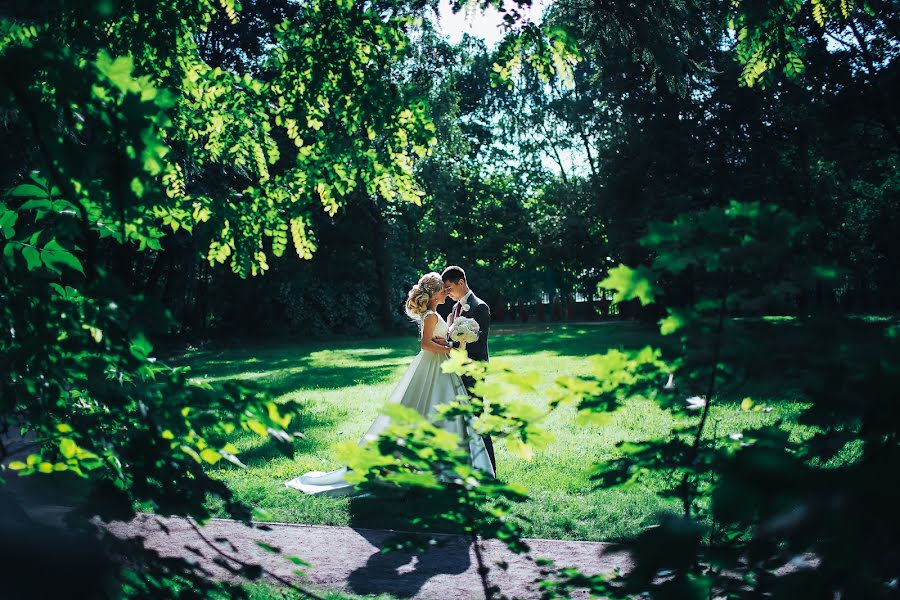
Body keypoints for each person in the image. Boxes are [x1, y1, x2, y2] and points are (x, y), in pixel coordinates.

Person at [285, 272, 494, 496]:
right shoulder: (433, 315)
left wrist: (447, 343)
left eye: (447, 287)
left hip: (443, 367)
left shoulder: (440, 313)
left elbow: (437, 340)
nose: (446, 292)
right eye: (443, 289)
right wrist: (450, 348)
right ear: (434, 293)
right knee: (433, 410)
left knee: (442, 412)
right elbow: (426, 345)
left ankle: (451, 467)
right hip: (435, 365)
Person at [434, 266, 496, 475]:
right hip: (457, 369)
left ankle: (490, 469)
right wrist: (448, 342)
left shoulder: (480, 307)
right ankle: (470, 466)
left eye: (449, 288)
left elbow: (477, 345)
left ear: (461, 282)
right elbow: (456, 338)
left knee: (477, 417)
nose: (447, 292)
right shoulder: (455, 310)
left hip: (473, 369)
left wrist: (451, 346)